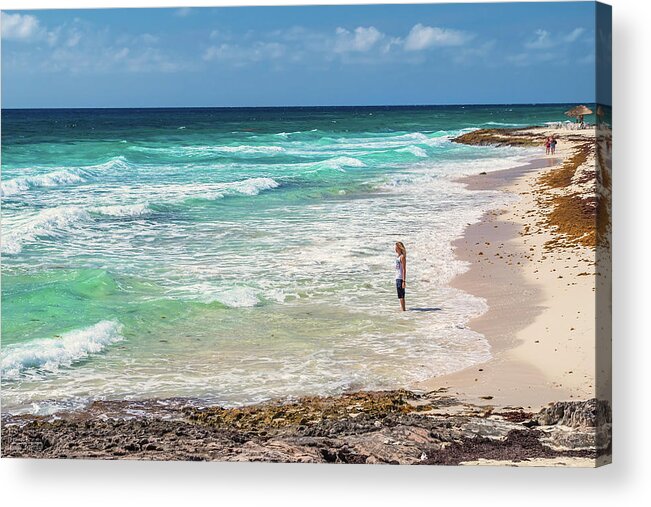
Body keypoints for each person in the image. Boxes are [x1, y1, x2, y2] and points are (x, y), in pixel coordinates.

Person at [394, 241, 407, 311]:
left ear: (399, 248)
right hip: (397, 277)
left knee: (401, 295)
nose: (395, 249)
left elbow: (404, 269)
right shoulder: (398, 257)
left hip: (400, 278)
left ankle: (403, 310)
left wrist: (404, 281)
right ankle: (403, 309)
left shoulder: (402, 257)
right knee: (400, 295)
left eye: (396, 247)